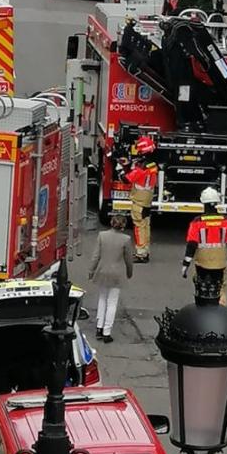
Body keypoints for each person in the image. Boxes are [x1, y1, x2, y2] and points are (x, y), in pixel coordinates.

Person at [181, 187, 227, 303]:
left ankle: (202, 312)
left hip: (202, 265)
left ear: (203, 203)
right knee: (220, 290)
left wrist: (185, 264)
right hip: (220, 264)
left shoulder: (197, 223)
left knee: (201, 291)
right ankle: (220, 314)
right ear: (216, 203)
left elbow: (191, 245)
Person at [87, 214, 134, 343]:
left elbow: (96, 256)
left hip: (102, 271)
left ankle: (99, 327)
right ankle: (107, 332)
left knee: (102, 299)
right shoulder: (126, 239)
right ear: (123, 226)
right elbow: (129, 260)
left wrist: (91, 270)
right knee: (112, 302)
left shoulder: (102, 236)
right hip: (117, 274)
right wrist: (129, 272)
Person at [124, 135, 158, 263]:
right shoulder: (153, 165)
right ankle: (145, 250)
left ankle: (141, 253)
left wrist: (122, 169)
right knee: (145, 225)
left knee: (139, 226)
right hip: (147, 200)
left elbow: (127, 179)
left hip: (139, 200)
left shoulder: (142, 168)